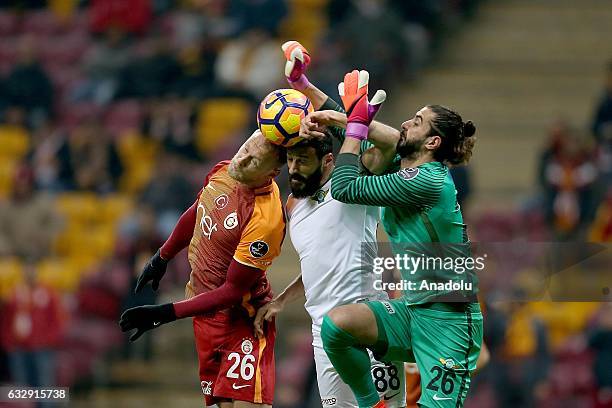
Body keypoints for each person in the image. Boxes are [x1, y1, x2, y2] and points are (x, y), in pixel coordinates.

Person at [301, 68, 482, 406]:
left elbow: (343, 187)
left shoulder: (427, 181)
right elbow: (379, 137)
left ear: (432, 142)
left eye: (417, 120)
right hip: (413, 310)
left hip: (450, 323)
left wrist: (353, 125)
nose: (406, 123)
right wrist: (307, 89)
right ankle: (374, 405)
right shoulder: (408, 165)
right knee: (337, 327)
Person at [253, 41, 406, 408]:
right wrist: (281, 300)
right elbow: (319, 265)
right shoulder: (294, 206)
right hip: (324, 337)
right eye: (290, 161)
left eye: (302, 161)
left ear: (327, 163)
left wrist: (337, 112)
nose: (293, 169)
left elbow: (386, 149)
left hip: (370, 321)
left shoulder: (353, 187)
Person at [119, 130, 287, 408]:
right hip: (204, 318)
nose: (243, 160)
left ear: (273, 171)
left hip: (241, 322)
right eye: (246, 149)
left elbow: (233, 291)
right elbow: (199, 209)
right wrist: (162, 257)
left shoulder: (265, 219)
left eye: (255, 161)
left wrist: (165, 313)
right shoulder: (225, 170)